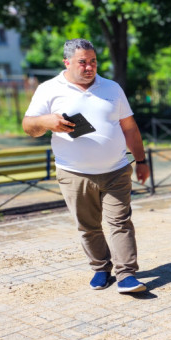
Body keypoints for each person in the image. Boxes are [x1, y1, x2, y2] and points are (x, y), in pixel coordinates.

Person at [22, 38, 148, 293]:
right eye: (83, 62)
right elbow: (28, 127)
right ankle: (101, 268)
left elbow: (130, 127)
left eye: (93, 62)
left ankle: (126, 275)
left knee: (120, 222)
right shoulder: (49, 89)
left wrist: (142, 160)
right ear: (67, 63)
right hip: (73, 173)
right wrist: (46, 121)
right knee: (88, 226)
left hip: (116, 169)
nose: (89, 67)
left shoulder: (112, 88)